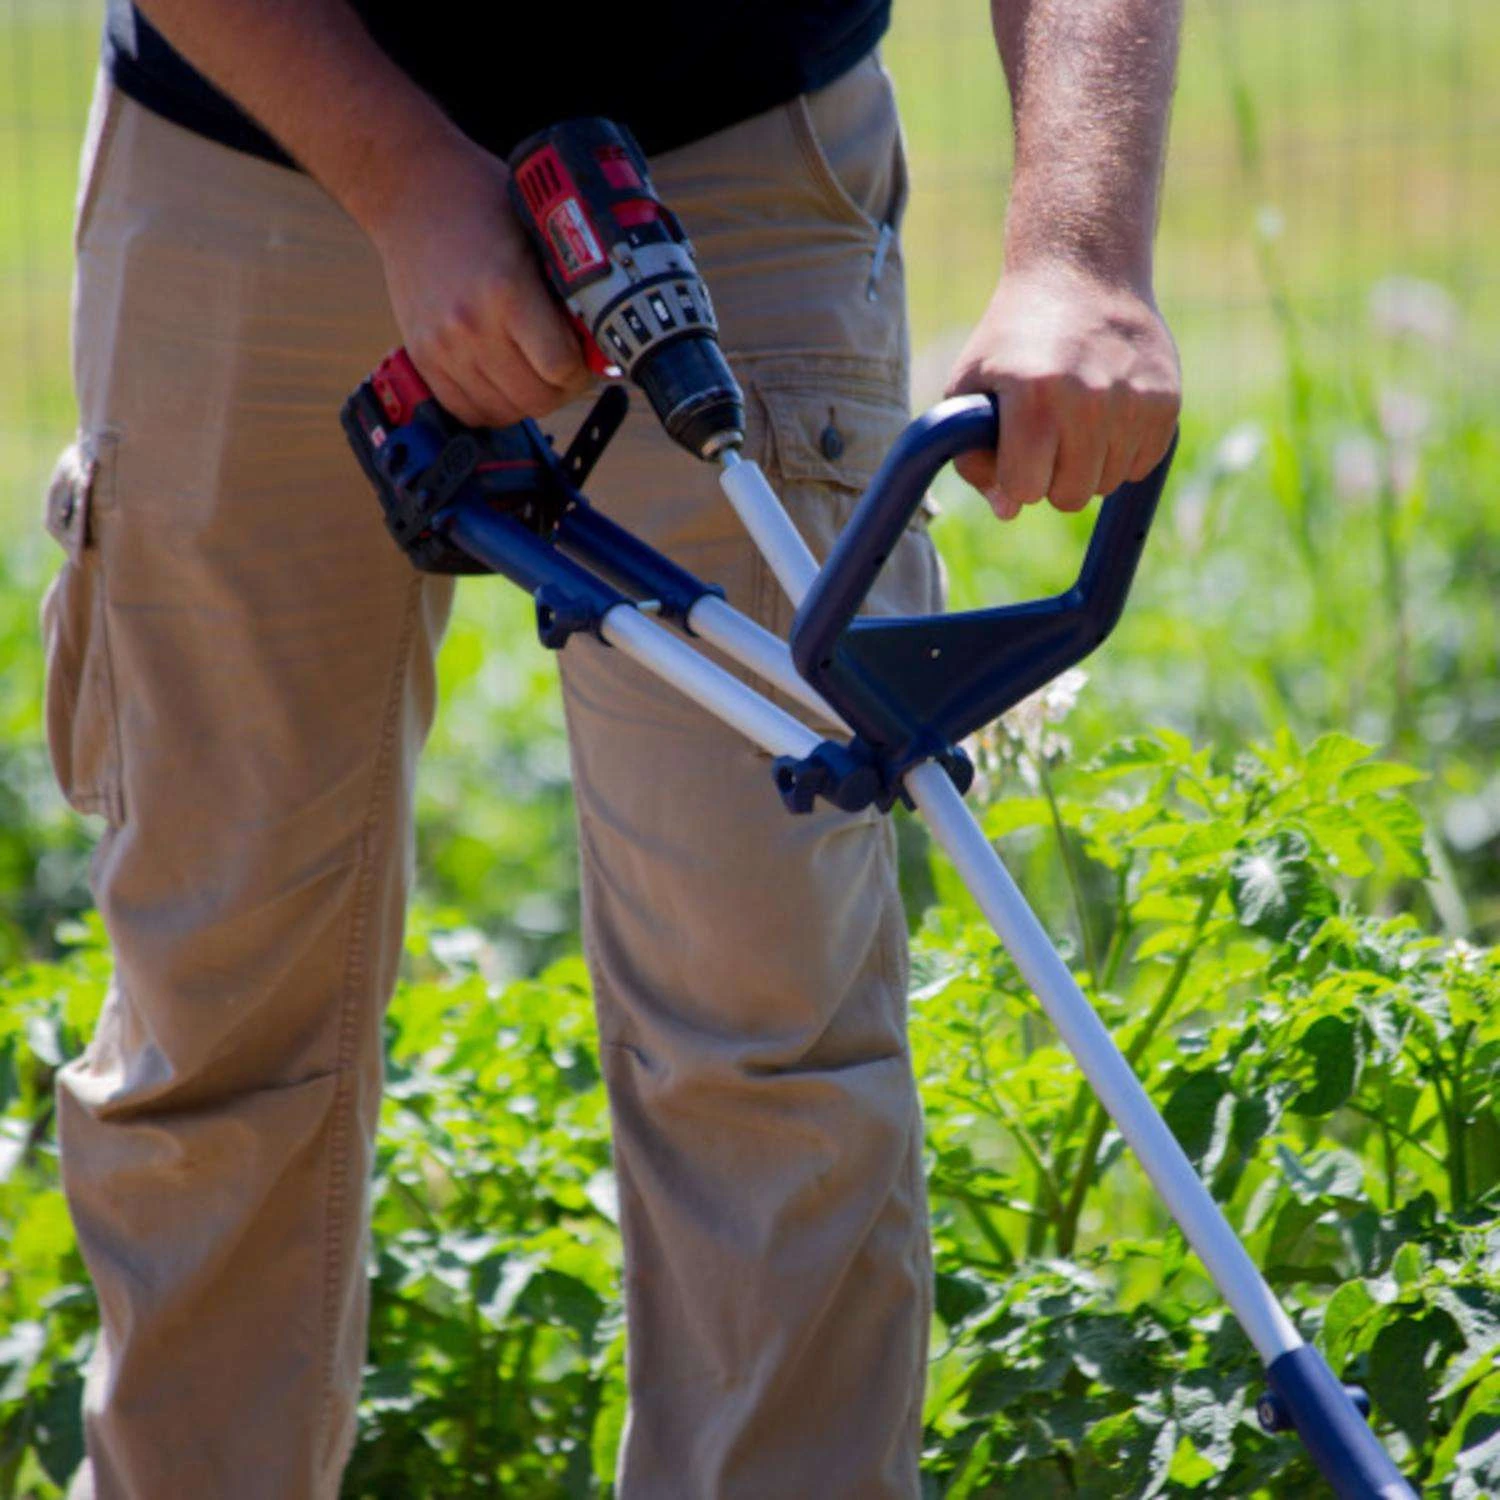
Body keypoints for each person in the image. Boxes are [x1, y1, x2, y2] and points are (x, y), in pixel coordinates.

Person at [43, 2, 1181, 1496]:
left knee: (770, 1043)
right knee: (220, 1033)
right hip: (254, 144)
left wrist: (1079, 249)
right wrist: (398, 178)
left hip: (727, 146)